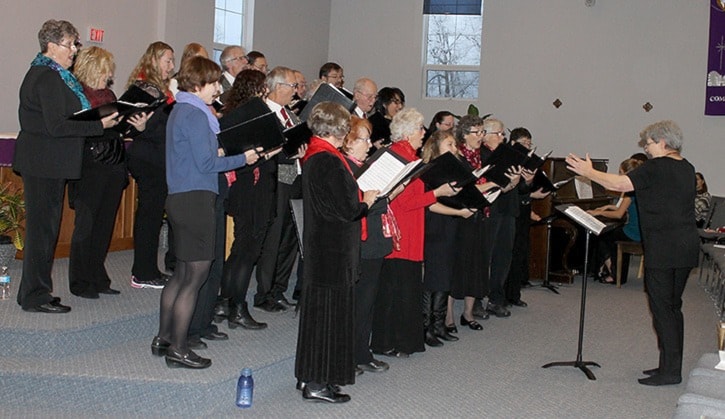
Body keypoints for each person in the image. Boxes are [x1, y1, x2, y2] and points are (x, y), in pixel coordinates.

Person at [566, 120, 699, 386]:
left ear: (662, 142)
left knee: (663, 309)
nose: (646, 149)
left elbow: (621, 184)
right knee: (673, 308)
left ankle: (670, 372)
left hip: (664, 248)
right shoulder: (687, 167)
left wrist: (589, 172)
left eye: (648, 144)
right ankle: (669, 365)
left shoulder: (657, 166)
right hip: (685, 245)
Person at [152, 56, 261, 369]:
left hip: (180, 198)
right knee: (195, 277)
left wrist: (224, 152)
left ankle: (164, 337)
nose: (218, 88)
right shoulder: (197, 115)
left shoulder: (181, 109)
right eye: (214, 83)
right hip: (197, 200)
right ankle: (179, 348)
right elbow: (207, 165)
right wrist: (243, 157)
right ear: (198, 85)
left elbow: (197, 155)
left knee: (182, 274)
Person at [14, 19, 119, 313]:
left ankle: (33, 292)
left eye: (75, 43)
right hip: (44, 161)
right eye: (71, 44)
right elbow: (57, 126)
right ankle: (36, 296)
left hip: (49, 161)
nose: (75, 49)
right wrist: (98, 124)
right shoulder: (46, 77)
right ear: (52, 45)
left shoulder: (54, 75)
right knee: (42, 231)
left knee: (45, 229)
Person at [295, 102, 378, 403]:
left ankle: (313, 377)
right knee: (326, 319)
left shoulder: (317, 155)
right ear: (338, 129)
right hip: (332, 249)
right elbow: (347, 209)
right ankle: (317, 382)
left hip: (325, 247)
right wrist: (366, 200)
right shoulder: (327, 160)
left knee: (321, 317)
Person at [370, 108, 459, 358]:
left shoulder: (409, 155)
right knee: (396, 292)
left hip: (410, 232)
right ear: (408, 132)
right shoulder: (399, 156)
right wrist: (437, 193)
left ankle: (398, 342)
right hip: (401, 235)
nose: (424, 133)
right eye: (420, 129)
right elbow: (402, 202)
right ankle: (388, 342)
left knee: (404, 291)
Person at [68, 46, 150, 299]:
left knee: (104, 225)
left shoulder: (110, 94)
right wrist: (101, 125)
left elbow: (120, 130)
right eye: (105, 71)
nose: (109, 76)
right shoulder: (76, 92)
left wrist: (138, 127)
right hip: (88, 165)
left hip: (113, 162)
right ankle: (80, 281)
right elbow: (72, 129)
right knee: (86, 225)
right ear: (92, 68)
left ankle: (97, 276)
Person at [219, 69, 276, 330]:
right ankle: (237, 308)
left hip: (244, 189)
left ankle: (225, 300)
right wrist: (270, 151)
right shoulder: (254, 115)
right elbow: (246, 156)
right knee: (248, 251)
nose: (266, 93)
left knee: (240, 249)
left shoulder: (231, 115)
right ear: (256, 90)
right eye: (263, 88)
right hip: (253, 188)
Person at [342, 116, 398, 374]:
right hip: (362, 244)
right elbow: (354, 207)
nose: (369, 145)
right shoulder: (347, 169)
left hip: (375, 241)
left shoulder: (362, 166)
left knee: (368, 301)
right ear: (348, 143)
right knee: (359, 302)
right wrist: (370, 198)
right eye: (363, 139)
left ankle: (362, 352)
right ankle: (351, 355)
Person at [421, 129, 479, 344]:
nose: (455, 149)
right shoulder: (428, 170)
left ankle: (439, 325)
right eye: (449, 145)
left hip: (452, 224)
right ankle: (426, 327)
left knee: (446, 275)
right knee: (433, 277)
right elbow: (429, 203)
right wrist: (458, 212)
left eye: (455, 145)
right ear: (435, 147)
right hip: (436, 226)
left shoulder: (456, 168)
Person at [126, 41, 176, 290]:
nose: (171, 66)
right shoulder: (144, 88)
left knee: (154, 216)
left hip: (158, 157)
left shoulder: (161, 90)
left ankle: (148, 269)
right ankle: (142, 272)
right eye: (168, 60)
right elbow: (137, 127)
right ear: (154, 60)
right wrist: (142, 128)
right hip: (148, 157)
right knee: (149, 216)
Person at [254, 66, 303, 313]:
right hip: (275, 181)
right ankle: (264, 292)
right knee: (274, 239)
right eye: (292, 86)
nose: (296, 91)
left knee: (290, 238)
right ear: (277, 87)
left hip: (295, 179)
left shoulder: (291, 115)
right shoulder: (262, 113)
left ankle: (278, 289)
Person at [449, 115, 498, 329]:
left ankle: (468, 314)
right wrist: (491, 185)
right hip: (461, 215)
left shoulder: (483, 156)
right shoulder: (457, 156)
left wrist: (507, 181)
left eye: (482, 132)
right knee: (457, 265)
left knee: (477, 265)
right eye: (476, 133)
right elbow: (463, 189)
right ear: (464, 135)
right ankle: (448, 316)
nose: (480, 137)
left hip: (480, 215)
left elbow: (493, 184)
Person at [479, 118, 522, 318]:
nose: (503, 137)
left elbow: (518, 187)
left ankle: (497, 297)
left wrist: (522, 180)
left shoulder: (506, 154)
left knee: (503, 256)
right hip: (491, 209)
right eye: (499, 134)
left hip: (508, 208)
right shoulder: (482, 156)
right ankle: (479, 298)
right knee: (486, 256)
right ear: (485, 135)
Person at [505, 128, 549, 305]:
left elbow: (523, 188)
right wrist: (531, 195)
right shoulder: (508, 159)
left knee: (520, 252)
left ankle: (515, 294)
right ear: (513, 142)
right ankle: (504, 295)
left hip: (523, 210)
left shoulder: (528, 161)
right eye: (523, 143)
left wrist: (530, 183)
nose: (527, 147)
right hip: (510, 209)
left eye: (529, 144)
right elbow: (508, 190)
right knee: (510, 254)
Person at [588, 158, 643, 285]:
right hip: (641, 230)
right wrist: (607, 207)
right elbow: (623, 207)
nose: (619, 175)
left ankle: (612, 272)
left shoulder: (630, 191)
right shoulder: (639, 187)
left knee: (600, 236)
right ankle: (609, 269)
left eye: (620, 172)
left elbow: (619, 214)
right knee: (611, 233)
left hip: (633, 232)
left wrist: (599, 212)